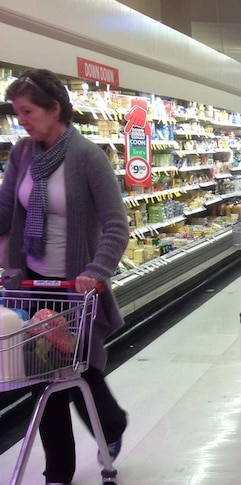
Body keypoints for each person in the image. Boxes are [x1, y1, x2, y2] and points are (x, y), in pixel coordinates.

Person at [1, 69, 128, 485]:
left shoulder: (87, 157)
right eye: (17, 112)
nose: (21, 119)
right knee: (42, 377)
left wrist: (97, 272)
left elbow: (116, 225)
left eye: (28, 111)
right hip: (31, 285)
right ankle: (59, 470)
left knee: (77, 370)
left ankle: (109, 424)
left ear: (54, 109)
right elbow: (5, 213)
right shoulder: (22, 154)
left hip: (75, 291)